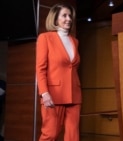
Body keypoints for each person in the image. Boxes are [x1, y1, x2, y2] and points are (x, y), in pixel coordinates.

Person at [36, 3, 82, 141]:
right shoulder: (45, 38)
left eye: (70, 16)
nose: (69, 19)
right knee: (50, 135)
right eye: (64, 15)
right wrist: (44, 93)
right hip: (53, 95)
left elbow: (72, 68)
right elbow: (40, 68)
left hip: (74, 95)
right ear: (55, 19)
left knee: (73, 137)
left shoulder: (75, 41)